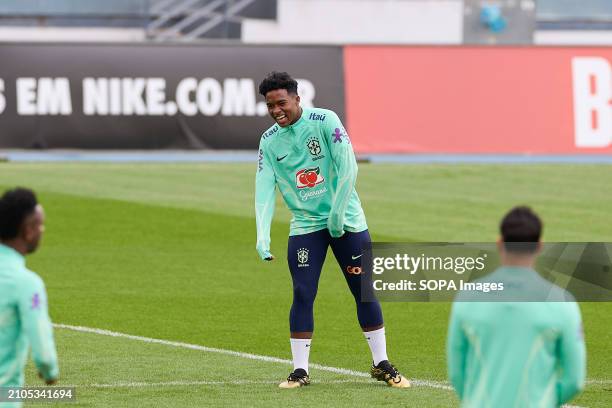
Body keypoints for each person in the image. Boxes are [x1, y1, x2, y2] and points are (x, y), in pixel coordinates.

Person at [255, 71, 409, 389]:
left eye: (281, 103)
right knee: (302, 292)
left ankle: (382, 364)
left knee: (363, 290)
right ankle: (300, 371)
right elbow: (263, 187)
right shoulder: (269, 141)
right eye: (270, 105)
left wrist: (338, 212)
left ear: (297, 98)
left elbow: (347, 165)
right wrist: (262, 233)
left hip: (347, 222)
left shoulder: (325, 121)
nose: (275, 111)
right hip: (306, 225)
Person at [447, 206, 586, 407]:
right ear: (539, 246)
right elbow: (575, 380)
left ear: (500, 244)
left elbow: (457, 373)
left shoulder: (467, 297)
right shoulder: (562, 302)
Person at [0, 188, 59, 406]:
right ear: (28, 231)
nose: (42, 231)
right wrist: (49, 371)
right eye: (40, 225)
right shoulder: (27, 284)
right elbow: (42, 348)